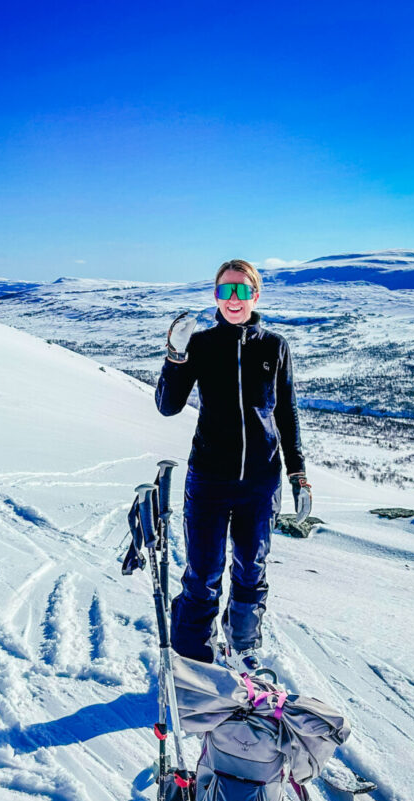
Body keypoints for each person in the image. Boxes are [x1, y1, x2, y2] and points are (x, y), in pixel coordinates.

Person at [155, 258, 311, 673]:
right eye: (226, 291)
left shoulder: (274, 346)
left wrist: (298, 474)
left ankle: (242, 648)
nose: (234, 299)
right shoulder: (203, 345)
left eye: (243, 290)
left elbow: (287, 414)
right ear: (216, 297)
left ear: (256, 295)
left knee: (250, 569)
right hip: (208, 477)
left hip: (260, 481)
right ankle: (192, 660)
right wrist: (175, 354)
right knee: (203, 572)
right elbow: (167, 406)